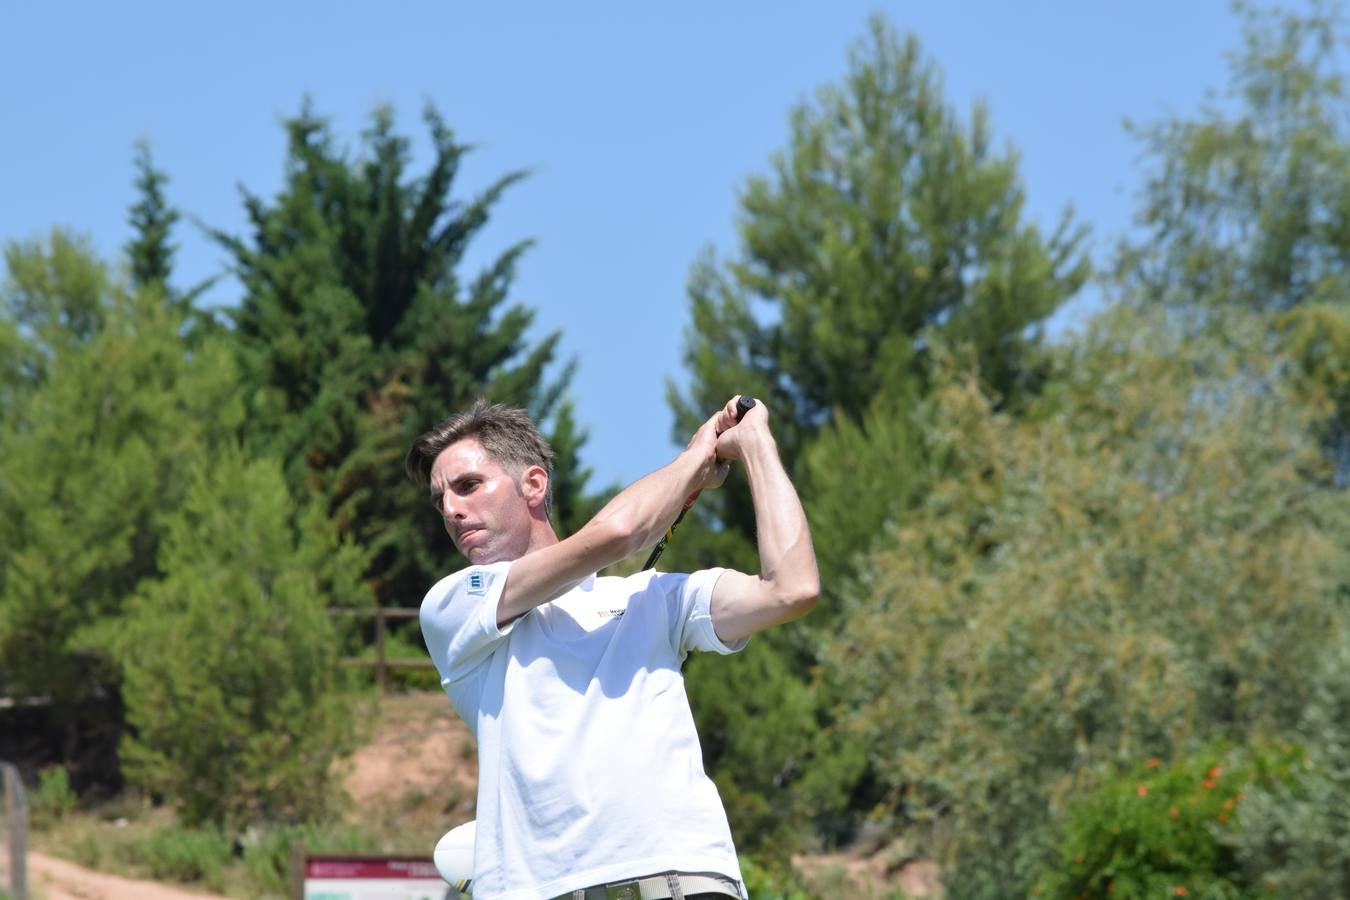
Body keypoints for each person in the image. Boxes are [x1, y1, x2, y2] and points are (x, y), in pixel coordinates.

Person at [407, 396, 819, 900]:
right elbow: (618, 533)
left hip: (686, 881)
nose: (450, 508)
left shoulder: (650, 597)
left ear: (533, 484)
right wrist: (696, 458)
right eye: (439, 499)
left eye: (469, 485)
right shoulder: (452, 606)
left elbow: (792, 588)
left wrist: (755, 444)